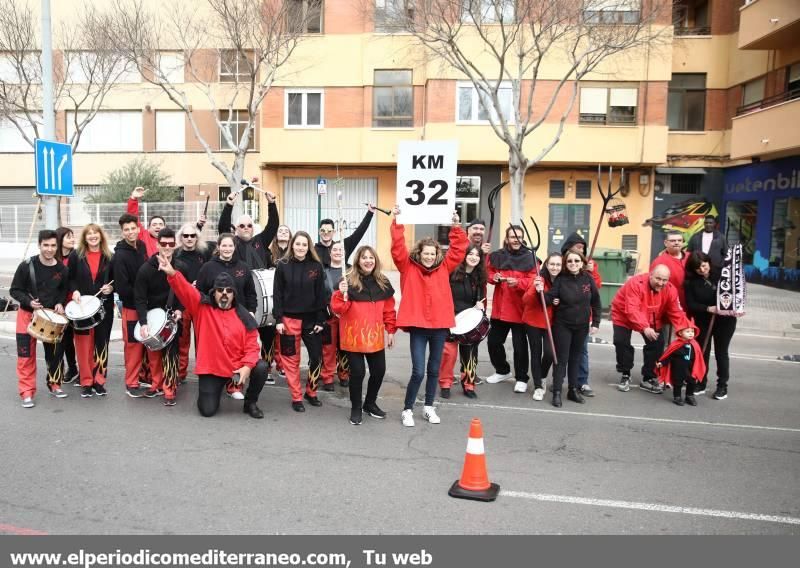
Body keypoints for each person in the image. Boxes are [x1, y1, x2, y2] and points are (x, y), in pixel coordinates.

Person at [159, 258, 269, 419]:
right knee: (207, 411)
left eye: (228, 291)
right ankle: (216, 390)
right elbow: (185, 290)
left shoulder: (244, 315)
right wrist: (172, 273)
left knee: (261, 367)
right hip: (212, 368)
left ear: (234, 294)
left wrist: (247, 366)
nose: (224, 294)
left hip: (236, 367)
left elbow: (253, 346)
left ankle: (250, 403)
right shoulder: (202, 308)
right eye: (220, 290)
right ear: (214, 292)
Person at [391, 207, 467, 427]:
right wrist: (397, 221)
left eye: (433, 254)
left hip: (439, 327)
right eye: (425, 253)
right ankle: (407, 409)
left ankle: (428, 407)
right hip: (418, 327)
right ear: (419, 253)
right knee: (418, 371)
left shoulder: (444, 267)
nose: (429, 256)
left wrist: (456, 227)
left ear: (437, 255)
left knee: (434, 369)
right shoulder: (408, 267)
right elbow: (397, 249)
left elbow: (458, 250)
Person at [217, 188, 280, 386]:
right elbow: (221, 227)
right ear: (236, 229)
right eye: (241, 225)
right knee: (241, 337)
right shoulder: (232, 243)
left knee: (268, 334)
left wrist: (271, 204)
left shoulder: (260, 241)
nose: (245, 228)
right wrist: (228, 205)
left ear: (253, 228)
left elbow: (273, 225)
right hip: (241, 298)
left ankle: (266, 368)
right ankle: (238, 371)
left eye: (248, 225)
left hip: (263, 297)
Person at [331, 245, 397, 425]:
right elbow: (338, 309)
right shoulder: (347, 282)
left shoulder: (383, 282)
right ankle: (356, 407)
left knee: (379, 371)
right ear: (358, 261)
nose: (368, 260)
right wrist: (340, 293)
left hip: (374, 336)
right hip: (353, 337)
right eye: (364, 257)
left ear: (375, 260)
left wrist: (390, 330)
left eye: (371, 257)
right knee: (358, 373)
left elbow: (389, 310)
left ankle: (370, 403)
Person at [196, 233, 259, 398]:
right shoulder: (208, 267)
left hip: (238, 315)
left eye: (230, 245)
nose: (227, 249)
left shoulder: (243, 267)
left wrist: (251, 311)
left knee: (235, 350)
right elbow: (200, 292)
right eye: (224, 245)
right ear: (218, 247)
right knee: (216, 350)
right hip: (214, 316)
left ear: (235, 247)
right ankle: (214, 378)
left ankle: (234, 386)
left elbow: (250, 293)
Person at [11, 230, 68, 408]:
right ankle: (27, 392)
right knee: (25, 355)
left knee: (55, 354)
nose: (49, 249)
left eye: (53, 245)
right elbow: (15, 290)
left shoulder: (62, 269)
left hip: (52, 316)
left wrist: (60, 303)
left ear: (57, 246)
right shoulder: (26, 265)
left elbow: (63, 291)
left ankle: (55, 384)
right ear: (39, 245)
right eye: (46, 245)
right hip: (27, 315)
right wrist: (28, 301)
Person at [610, 264, 688, 394]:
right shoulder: (635, 283)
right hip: (623, 314)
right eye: (658, 279)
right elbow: (632, 309)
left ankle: (649, 376)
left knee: (657, 344)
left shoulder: (670, 289)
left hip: (651, 316)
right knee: (621, 342)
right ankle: (625, 373)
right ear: (650, 275)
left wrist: (686, 329)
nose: (661, 283)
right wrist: (644, 327)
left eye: (664, 280)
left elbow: (677, 312)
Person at [273, 231, 328, 412]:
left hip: (311, 321)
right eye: (298, 244)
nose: (301, 248)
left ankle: (311, 392)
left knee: (317, 358)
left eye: (304, 244)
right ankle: (296, 397)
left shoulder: (316, 267)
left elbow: (321, 295)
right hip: (289, 320)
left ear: (308, 247)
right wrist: (279, 318)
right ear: (292, 245)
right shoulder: (283, 266)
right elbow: (278, 294)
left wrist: (321, 319)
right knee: (291, 360)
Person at [134, 228, 187, 406]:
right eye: (163, 243)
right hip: (152, 315)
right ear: (157, 244)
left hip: (172, 315)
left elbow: (184, 293)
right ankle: (156, 384)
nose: (166, 247)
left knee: (171, 354)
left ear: (175, 245)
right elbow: (140, 298)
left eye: (170, 244)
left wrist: (180, 310)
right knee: (154, 353)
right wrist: (143, 322)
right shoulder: (145, 270)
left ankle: (169, 388)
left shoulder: (181, 267)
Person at [544, 249, 601, 407]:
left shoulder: (588, 279)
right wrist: (540, 291)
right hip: (563, 325)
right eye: (569, 261)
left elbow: (596, 302)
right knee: (561, 359)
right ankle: (556, 391)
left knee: (575, 358)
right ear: (565, 263)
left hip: (581, 326)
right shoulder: (561, 280)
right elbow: (549, 298)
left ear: (582, 262)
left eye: (576, 261)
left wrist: (595, 322)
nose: (573, 264)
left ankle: (573, 390)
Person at [67, 224, 115, 399]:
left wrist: (111, 289)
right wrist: (75, 291)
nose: (93, 236)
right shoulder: (76, 256)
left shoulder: (110, 257)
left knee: (101, 345)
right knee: (83, 346)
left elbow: (115, 280)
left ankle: (99, 381)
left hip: (104, 307)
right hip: (82, 308)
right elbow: (70, 278)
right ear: (85, 238)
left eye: (96, 233)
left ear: (101, 236)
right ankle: (86, 381)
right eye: (89, 234)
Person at [684, 251, 740, 401]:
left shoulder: (723, 275)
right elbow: (691, 304)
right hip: (703, 320)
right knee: (703, 352)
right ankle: (701, 382)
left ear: (708, 262)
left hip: (725, 321)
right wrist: (708, 308)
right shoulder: (690, 282)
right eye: (698, 268)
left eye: (704, 265)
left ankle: (722, 386)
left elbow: (736, 294)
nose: (702, 270)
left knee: (721, 353)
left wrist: (736, 308)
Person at [485, 225, 535, 392]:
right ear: (507, 239)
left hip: (520, 309)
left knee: (520, 346)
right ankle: (502, 370)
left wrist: (519, 283)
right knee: (493, 342)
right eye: (513, 237)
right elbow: (488, 273)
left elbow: (534, 280)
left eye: (519, 237)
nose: (516, 239)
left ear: (523, 239)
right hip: (500, 308)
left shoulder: (531, 258)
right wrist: (495, 277)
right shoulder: (497, 256)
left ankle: (521, 378)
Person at [438, 244, 486, 400]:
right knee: (449, 354)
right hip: (450, 319)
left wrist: (480, 304)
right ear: (464, 255)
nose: (473, 257)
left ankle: (469, 385)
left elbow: (480, 299)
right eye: (470, 254)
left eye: (477, 255)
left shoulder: (479, 277)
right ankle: (445, 383)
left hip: (469, 322)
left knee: (470, 355)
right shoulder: (452, 273)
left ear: (480, 259)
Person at [559, 231, 603, 397]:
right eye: (577, 247)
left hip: (583, 319)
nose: (581, 251)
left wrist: (591, 272)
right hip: (562, 319)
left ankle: (582, 381)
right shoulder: (561, 263)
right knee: (561, 352)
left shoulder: (589, 266)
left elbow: (596, 289)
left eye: (583, 248)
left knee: (581, 351)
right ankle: (559, 380)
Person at [111, 213, 150, 397]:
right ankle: (131, 383)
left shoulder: (142, 246)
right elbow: (122, 287)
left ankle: (142, 376)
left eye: (133, 228)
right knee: (133, 346)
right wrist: (141, 297)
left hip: (145, 305)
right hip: (131, 307)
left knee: (146, 344)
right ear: (122, 232)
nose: (130, 232)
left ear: (138, 228)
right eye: (126, 230)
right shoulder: (119, 256)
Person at [175, 221, 213, 383]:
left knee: (203, 340)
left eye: (192, 235)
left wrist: (201, 283)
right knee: (182, 341)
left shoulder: (204, 253)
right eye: (186, 236)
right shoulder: (175, 254)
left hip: (200, 302)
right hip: (182, 303)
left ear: (197, 238)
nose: (189, 238)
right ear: (181, 237)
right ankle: (180, 373)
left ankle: (203, 371)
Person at [522, 253, 560, 401]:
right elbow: (526, 300)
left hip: (552, 323)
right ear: (546, 265)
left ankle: (543, 376)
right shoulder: (539, 278)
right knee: (536, 353)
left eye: (558, 265)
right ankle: (538, 386)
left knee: (550, 353)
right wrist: (537, 289)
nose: (555, 267)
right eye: (552, 264)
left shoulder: (562, 280)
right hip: (534, 321)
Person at [321, 241, 350, 390]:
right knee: (328, 348)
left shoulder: (351, 271)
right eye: (335, 249)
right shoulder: (323, 271)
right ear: (330, 253)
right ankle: (327, 376)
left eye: (341, 250)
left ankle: (344, 373)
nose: (338, 252)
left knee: (345, 347)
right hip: (328, 315)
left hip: (347, 315)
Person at [656, 322, 706, 407]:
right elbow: (669, 355)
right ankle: (677, 397)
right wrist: (662, 362)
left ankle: (689, 395)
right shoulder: (676, 344)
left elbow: (698, 356)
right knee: (678, 383)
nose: (691, 333)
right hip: (678, 368)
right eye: (688, 331)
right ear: (680, 333)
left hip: (691, 368)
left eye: (692, 331)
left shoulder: (694, 344)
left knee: (692, 381)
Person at [55, 226, 79, 385]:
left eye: (72, 236)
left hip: (75, 303)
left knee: (76, 338)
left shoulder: (77, 256)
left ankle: (79, 369)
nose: (72, 239)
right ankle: (70, 368)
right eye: (68, 237)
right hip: (58, 304)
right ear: (59, 240)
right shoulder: (53, 258)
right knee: (63, 339)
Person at [650, 230, 688, 307]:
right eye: (673, 241)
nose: (677, 243)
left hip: (691, 305)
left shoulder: (691, 257)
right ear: (665, 243)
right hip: (669, 305)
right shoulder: (659, 262)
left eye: (679, 240)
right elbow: (653, 286)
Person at [126, 186, 165, 258]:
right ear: (149, 228)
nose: (158, 226)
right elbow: (133, 218)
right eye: (154, 224)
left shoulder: (170, 239)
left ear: (165, 227)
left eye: (160, 224)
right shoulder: (144, 236)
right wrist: (133, 199)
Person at [687, 215, 728, 280]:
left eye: (710, 223)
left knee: (714, 287)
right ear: (704, 224)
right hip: (698, 269)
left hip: (715, 269)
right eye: (706, 223)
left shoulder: (721, 237)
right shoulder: (695, 237)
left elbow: (726, 253)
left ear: (714, 224)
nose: (708, 224)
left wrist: (720, 264)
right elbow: (689, 252)